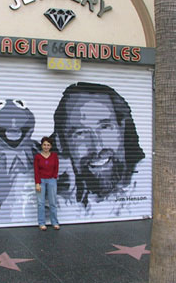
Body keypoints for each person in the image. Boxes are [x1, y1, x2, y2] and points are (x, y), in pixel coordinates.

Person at [52, 82, 145, 217]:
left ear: (122, 129)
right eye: (81, 133)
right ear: (61, 142)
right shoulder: (58, 197)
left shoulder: (148, 182)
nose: (97, 147)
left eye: (105, 127)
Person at [34, 136, 60, 231]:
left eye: (48, 145)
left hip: (51, 181)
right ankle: (41, 223)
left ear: (51, 146)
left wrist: (54, 177)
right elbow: (36, 171)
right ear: (41, 146)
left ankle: (55, 222)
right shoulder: (38, 157)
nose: (46, 147)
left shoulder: (54, 156)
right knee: (41, 203)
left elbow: (56, 168)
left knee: (52, 202)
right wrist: (37, 183)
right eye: (44, 145)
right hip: (41, 181)